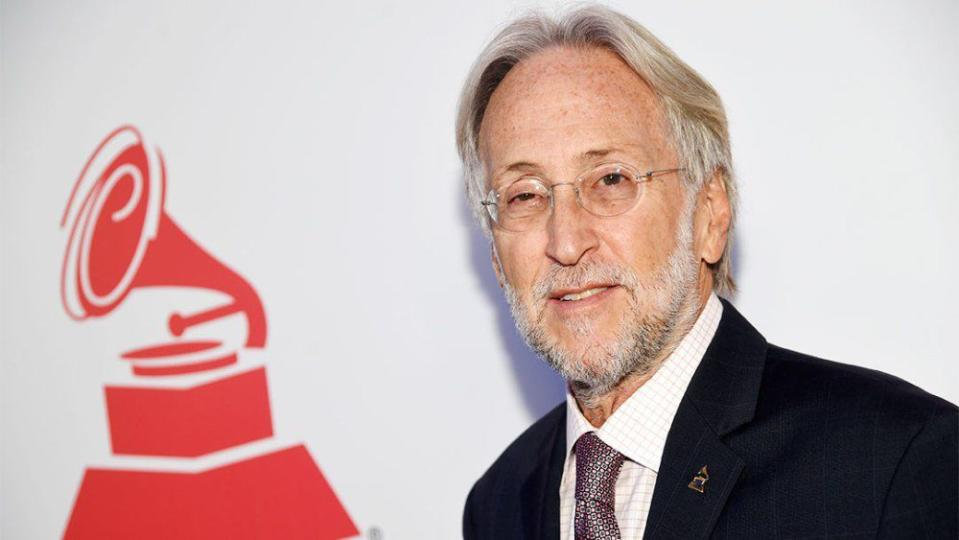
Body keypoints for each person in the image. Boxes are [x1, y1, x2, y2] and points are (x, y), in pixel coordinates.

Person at [454, 5, 957, 539]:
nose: (566, 241)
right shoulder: (499, 503)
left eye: (610, 180)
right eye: (524, 195)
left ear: (710, 215)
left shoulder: (891, 460)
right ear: (494, 253)